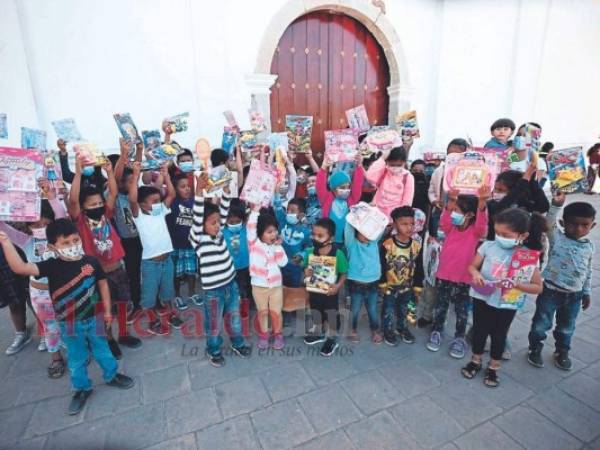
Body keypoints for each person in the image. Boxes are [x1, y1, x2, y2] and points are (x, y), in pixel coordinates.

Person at [0, 220, 134, 415]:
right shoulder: (50, 266)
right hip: (69, 324)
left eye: (75, 240)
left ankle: (112, 375)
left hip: (95, 319)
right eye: (65, 243)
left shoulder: (90, 261)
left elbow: (103, 285)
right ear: (52, 247)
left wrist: (106, 311)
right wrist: (5, 243)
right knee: (76, 358)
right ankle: (81, 389)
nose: (72, 246)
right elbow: (21, 268)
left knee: (103, 350)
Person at [68, 154, 142, 353]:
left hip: (118, 268)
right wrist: (77, 172)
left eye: (98, 203)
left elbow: (113, 193)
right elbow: (73, 200)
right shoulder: (80, 221)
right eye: (91, 205)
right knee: (102, 309)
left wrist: (109, 171)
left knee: (123, 304)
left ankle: (124, 334)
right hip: (97, 275)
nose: (97, 207)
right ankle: (109, 340)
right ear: (83, 208)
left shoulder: (106, 214)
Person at [463, 208, 545, 387]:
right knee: (479, 330)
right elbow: (472, 266)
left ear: (522, 235)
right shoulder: (488, 246)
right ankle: (475, 360)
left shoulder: (527, 257)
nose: (500, 237)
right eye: (497, 232)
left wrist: (515, 284)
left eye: (505, 234)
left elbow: (538, 287)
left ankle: (493, 367)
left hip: (506, 303)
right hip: (482, 295)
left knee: (499, 335)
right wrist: (475, 274)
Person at [0, 182, 67, 376]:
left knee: (68, 323)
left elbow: (61, 215)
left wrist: (51, 196)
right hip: (39, 293)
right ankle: (56, 359)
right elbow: (4, 229)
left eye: (46, 224)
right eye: (36, 225)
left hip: (63, 289)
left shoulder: (59, 238)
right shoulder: (25, 241)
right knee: (49, 327)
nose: (41, 228)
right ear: (28, 227)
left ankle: (75, 351)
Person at [189, 173, 251, 367]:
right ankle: (213, 349)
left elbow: (223, 211)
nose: (218, 226)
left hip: (230, 286)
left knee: (234, 319)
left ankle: (237, 343)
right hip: (213, 292)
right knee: (214, 325)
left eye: (218, 222)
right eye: (213, 223)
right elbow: (198, 214)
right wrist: (199, 191)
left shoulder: (219, 235)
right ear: (201, 224)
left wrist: (226, 190)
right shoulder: (198, 238)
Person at [528, 192, 595, 371]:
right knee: (541, 324)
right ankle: (535, 348)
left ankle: (562, 351)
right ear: (563, 223)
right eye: (574, 224)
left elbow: (587, 271)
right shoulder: (557, 238)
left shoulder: (589, 246)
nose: (579, 229)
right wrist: (556, 206)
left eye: (584, 225)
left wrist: (586, 292)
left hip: (574, 295)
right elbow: (548, 224)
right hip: (550, 290)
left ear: (592, 226)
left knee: (566, 327)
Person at [427, 185, 490, 358]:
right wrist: (451, 201)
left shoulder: (475, 232)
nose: (454, 213)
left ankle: (459, 338)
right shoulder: (450, 228)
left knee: (462, 310)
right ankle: (437, 331)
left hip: (464, 278)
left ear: (469, 215)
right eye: (453, 210)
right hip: (444, 275)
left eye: (457, 211)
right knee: (441, 306)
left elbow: (482, 225)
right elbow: (444, 221)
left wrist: (482, 203)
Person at [128, 162, 183, 335]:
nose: (159, 203)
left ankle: (171, 314)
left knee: (168, 292)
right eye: (154, 201)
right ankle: (153, 321)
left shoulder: (160, 211)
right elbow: (131, 199)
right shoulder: (138, 216)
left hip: (167, 261)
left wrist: (166, 174)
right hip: (150, 264)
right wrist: (136, 175)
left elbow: (172, 194)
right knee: (149, 296)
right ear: (142, 204)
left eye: (159, 200)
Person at [303, 218, 348, 356]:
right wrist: (307, 272)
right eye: (313, 234)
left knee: (331, 314)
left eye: (320, 236)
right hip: (314, 291)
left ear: (331, 238)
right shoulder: (310, 252)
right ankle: (320, 333)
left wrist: (338, 286)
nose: (315, 238)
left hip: (330, 293)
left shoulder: (337, 254)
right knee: (316, 312)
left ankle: (332, 339)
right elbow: (306, 268)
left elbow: (344, 273)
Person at [379, 206, 421, 346]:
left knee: (406, 308)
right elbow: (382, 264)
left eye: (411, 223)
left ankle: (402, 328)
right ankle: (388, 330)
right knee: (388, 308)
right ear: (395, 224)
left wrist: (418, 286)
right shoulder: (388, 244)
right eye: (404, 224)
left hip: (408, 286)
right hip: (390, 286)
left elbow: (419, 266)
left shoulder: (416, 246)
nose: (409, 227)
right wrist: (383, 283)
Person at [247, 206, 288, 350]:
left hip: (276, 287)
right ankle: (264, 335)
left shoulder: (276, 246)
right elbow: (251, 226)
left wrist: (278, 248)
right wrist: (255, 210)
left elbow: (283, 262)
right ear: (260, 233)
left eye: (275, 231)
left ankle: (278, 335)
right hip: (258, 287)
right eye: (269, 232)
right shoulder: (253, 244)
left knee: (276, 312)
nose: (273, 234)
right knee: (262, 312)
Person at [344, 219, 383, 345]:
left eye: (369, 232)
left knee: (372, 308)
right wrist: (356, 214)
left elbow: (380, 225)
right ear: (356, 233)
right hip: (356, 284)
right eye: (363, 232)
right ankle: (353, 330)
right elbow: (349, 227)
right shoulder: (351, 243)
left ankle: (375, 330)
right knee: (355, 308)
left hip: (373, 283)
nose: (367, 234)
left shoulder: (374, 241)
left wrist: (372, 211)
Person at [166, 173, 202, 310]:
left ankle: (192, 292)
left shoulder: (193, 202)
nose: (187, 189)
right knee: (177, 273)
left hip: (191, 245)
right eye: (182, 187)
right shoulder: (172, 202)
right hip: (175, 245)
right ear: (175, 189)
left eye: (188, 186)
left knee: (192, 271)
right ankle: (177, 295)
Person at [316, 154, 364, 244]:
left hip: (347, 241)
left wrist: (359, 166)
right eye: (342, 187)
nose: (346, 190)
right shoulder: (326, 199)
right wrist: (323, 168)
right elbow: (320, 186)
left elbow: (357, 184)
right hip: (329, 241)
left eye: (348, 187)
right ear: (333, 188)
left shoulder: (352, 200)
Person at [365, 146, 414, 218]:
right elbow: (369, 176)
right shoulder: (383, 171)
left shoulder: (407, 177)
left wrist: (398, 219)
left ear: (404, 162)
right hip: (376, 215)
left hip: (394, 218)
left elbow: (407, 202)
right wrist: (382, 158)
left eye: (399, 165)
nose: (395, 168)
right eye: (392, 165)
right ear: (386, 161)